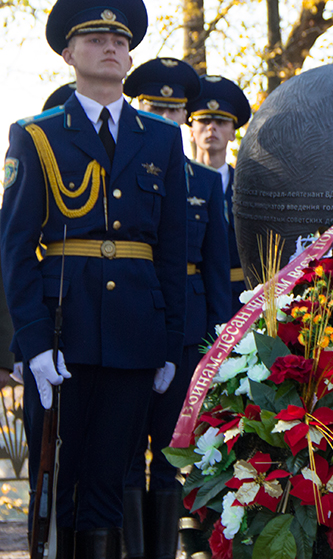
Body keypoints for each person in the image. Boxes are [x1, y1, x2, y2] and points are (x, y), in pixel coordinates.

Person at [1, 0, 186, 558]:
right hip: (63, 333)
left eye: (119, 38)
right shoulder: (37, 136)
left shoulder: (160, 141)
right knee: (57, 489)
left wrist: (168, 348)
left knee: (109, 488)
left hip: (136, 337)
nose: (111, 46)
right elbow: (14, 249)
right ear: (68, 53)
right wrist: (33, 345)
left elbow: (173, 255)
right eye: (95, 36)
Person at [122, 58, 230, 559]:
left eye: (174, 109)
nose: (165, 117)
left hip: (186, 329)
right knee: (122, 456)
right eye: (154, 107)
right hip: (123, 323)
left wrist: (218, 341)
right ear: (136, 108)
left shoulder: (204, 183)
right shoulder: (116, 168)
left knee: (170, 452)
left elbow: (213, 272)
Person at [188, 75, 252, 306]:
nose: (212, 127)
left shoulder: (247, 185)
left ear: (233, 132)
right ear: (191, 130)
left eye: (221, 122)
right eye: (204, 120)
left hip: (240, 296)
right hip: (194, 294)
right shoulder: (178, 181)